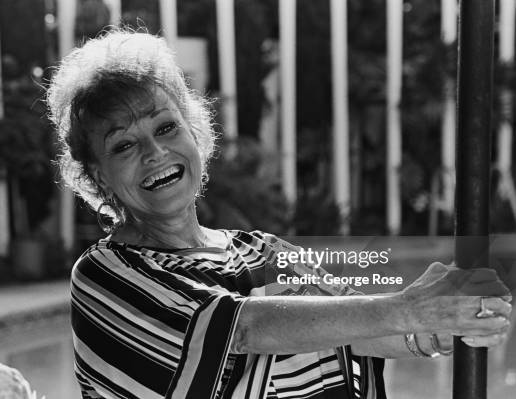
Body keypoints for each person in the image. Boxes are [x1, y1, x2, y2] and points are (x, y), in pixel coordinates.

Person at [46, 30, 512, 399]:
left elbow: (355, 330)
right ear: (98, 178)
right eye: (124, 144)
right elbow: (240, 329)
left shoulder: (263, 252)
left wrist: (439, 327)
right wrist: (410, 309)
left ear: (196, 135)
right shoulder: (104, 276)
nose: (155, 151)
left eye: (167, 127)